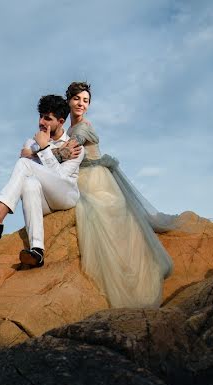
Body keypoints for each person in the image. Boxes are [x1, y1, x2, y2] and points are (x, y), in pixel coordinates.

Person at [66, 81, 177, 308]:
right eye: (77, 98)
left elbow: (70, 149)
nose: (81, 104)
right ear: (68, 100)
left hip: (96, 179)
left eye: (85, 100)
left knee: (100, 218)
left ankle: (133, 280)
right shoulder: (70, 128)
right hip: (82, 178)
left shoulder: (82, 128)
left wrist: (42, 150)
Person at [0, 94, 85, 268]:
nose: (41, 122)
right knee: (30, 183)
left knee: (25, 163)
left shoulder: (74, 146)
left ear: (61, 121)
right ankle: (37, 251)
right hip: (44, 200)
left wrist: (44, 148)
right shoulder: (32, 141)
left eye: (48, 118)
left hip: (65, 196)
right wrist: (44, 150)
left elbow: (59, 177)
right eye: (40, 116)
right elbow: (28, 162)